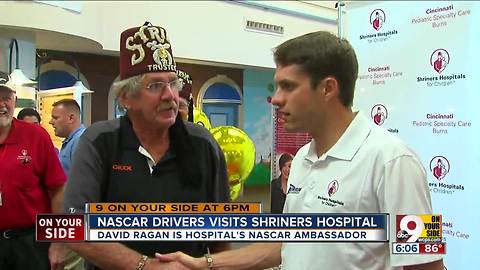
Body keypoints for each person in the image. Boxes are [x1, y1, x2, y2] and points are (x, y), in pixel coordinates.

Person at [156, 31, 444, 270]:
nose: (276, 99)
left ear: (328, 88)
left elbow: (428, 263)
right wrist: (201, 264)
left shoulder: (394, 162)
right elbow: (286, 245)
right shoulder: (303, 159)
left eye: (288, 86)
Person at [59, 22, 230, 270]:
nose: (170, 95)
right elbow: (75, 226)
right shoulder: (99, 142)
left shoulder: (203, 144)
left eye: (173, 83)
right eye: (155, 85)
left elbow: (220, 231)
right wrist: (145, 266)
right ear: (125, 98)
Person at [0, 71, 66, 270]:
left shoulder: (35, 136)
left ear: (15, 100)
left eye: (6, 98)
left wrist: (59, 242)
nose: (2, 105)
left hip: (30, 243)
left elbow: (58, 190)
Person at [49, 99, 86, 176]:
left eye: (55, 118)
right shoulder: (70, 141)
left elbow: (82, 180)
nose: (51, 122)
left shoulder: (80, 141)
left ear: (71, 118)